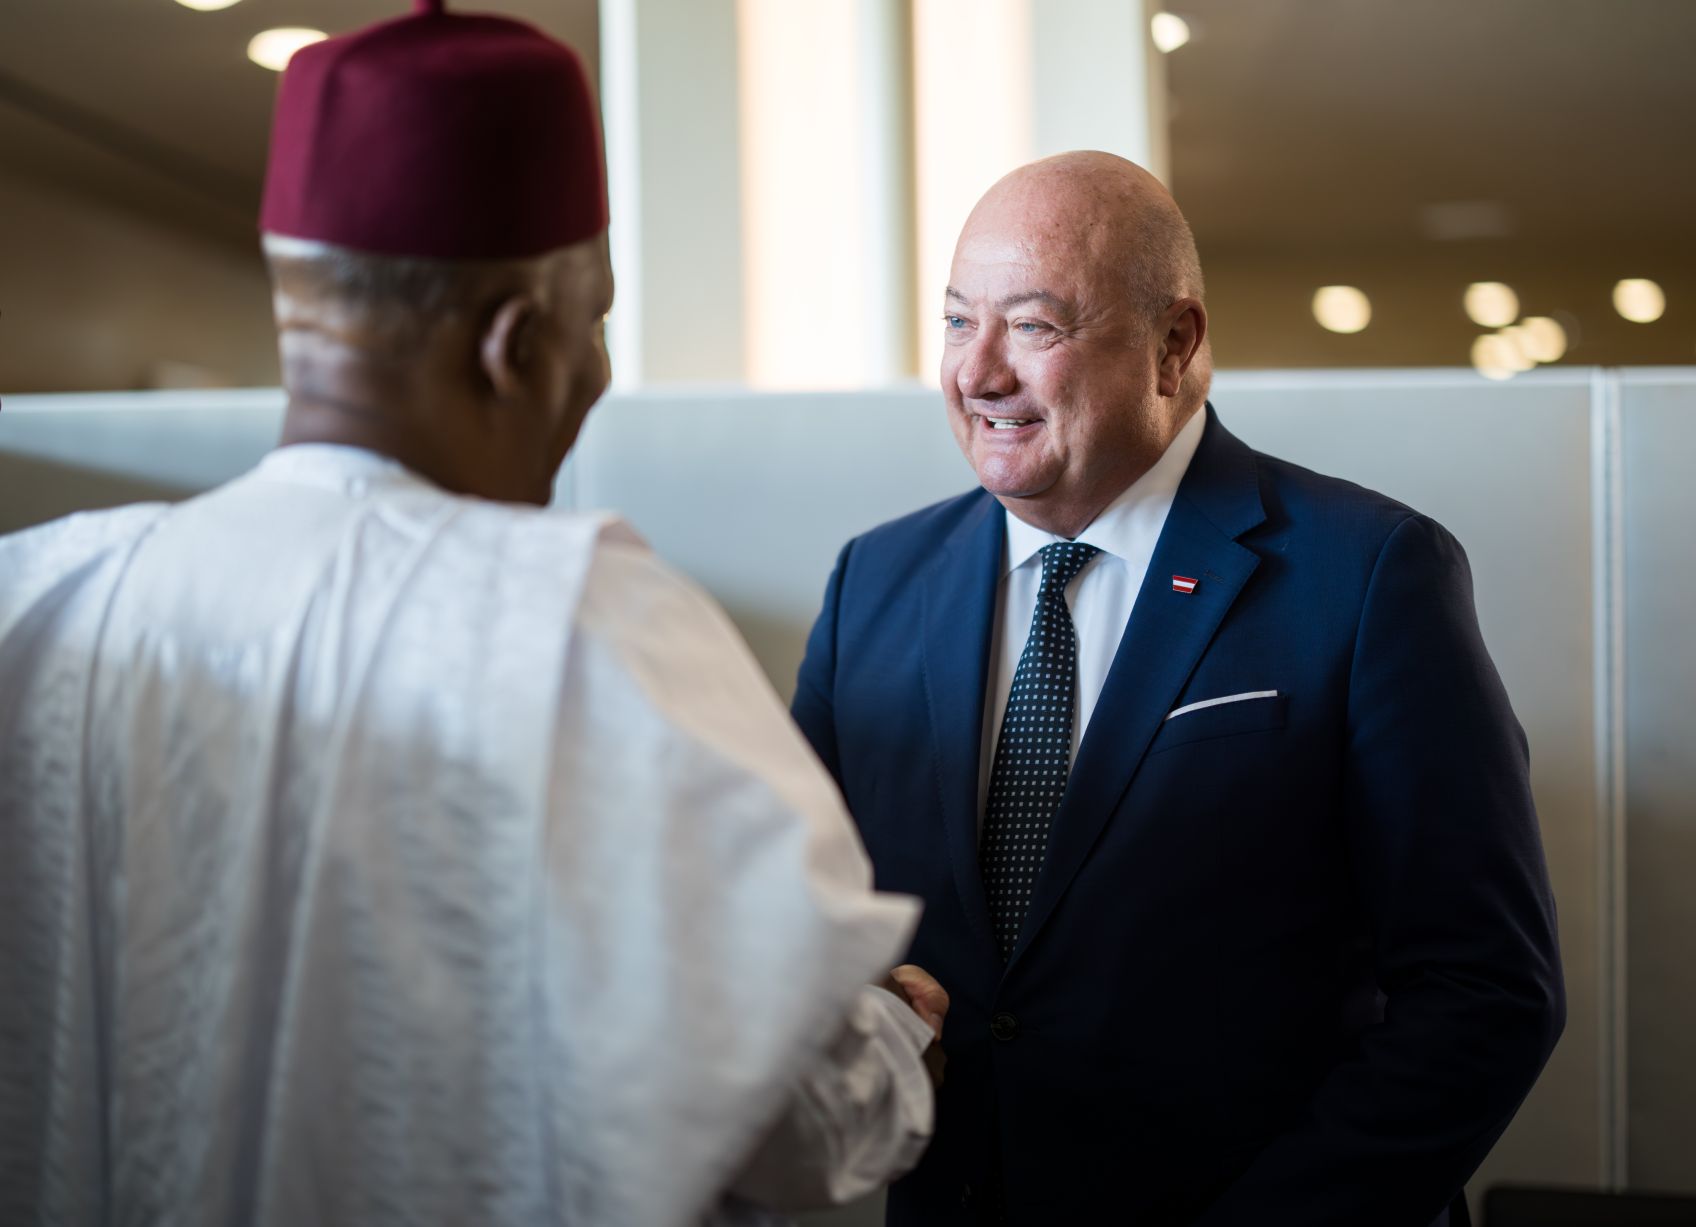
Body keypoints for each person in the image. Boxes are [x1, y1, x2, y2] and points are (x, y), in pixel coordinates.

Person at [0, 4, 946, 1224]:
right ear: (517, 342)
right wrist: (890, 1032)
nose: (593, 373)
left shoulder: (44, 597)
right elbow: (790, 1122)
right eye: (593, 321)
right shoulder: (583, 624)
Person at [791, 151, 1566, 1226]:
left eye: (1033, 327)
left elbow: (1484, 993)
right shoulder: (874, 581)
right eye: (958, 321)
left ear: (1173, 344)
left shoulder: (1369, 574)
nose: (976, 374)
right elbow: (795, 918)